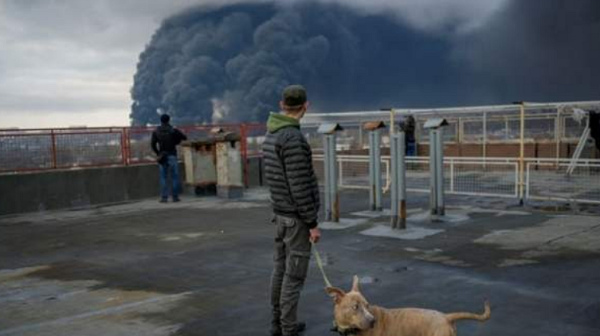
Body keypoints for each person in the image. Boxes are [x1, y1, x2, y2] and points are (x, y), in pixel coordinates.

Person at [263, 85, 321, 336]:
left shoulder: (271, 133)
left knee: (280, 270)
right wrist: (312, 223)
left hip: (280, 214)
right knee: (294, 276)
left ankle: (278, 324)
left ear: (281, 104)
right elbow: (299, 186)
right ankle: (288, 329)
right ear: (305, 106)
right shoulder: (293, 138)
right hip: (296, 219)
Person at [151, 114, 187, 203]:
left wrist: (158, 153)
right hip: (172, 155)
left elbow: (152, 144)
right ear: (168, 120)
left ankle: (164, 198)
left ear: (161, 120)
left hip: (162, 156)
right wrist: (176, 141)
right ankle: (175, 197)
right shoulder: (173, 130)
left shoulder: (156, 131)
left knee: (163, 177)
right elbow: (184, 137)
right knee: (175, 177)